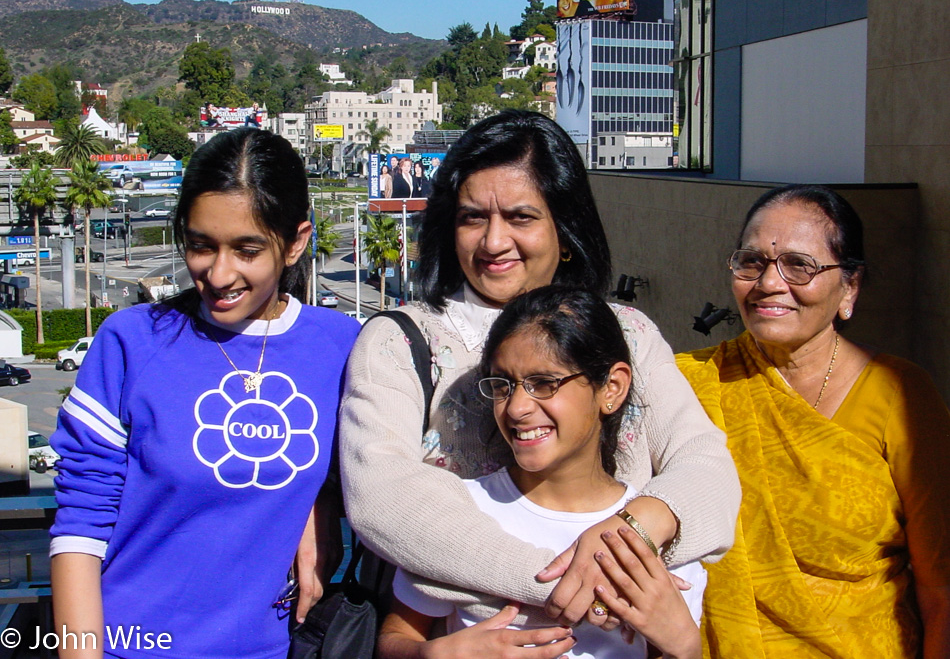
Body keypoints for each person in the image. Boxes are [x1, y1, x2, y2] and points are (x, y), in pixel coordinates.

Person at [339, 110, 739, 631]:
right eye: (472, 217)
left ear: (566, 229)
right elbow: (383, 498)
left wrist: (636, 529)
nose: (493, 242)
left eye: (521, 218)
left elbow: (706, 467)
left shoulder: (629, 335)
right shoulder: (399, 342)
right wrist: (565, 583)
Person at [50, 128, 361, 658]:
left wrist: (322, 502)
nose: (218, 274)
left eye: (247, 249)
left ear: (297, 242)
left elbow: (383, 475)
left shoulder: (347, 347)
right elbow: (81, 520)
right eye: (200, 246)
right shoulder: (129, 341)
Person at [676, 184, 950, 658]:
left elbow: (941, 584)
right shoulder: (688, 384)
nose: (768, 283)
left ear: (850, 286)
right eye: (752, 261)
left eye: (799, 265)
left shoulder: (901, 396)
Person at [377, 285, 706, 659]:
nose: (517, 407)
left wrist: (684, 645)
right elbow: (395, 637)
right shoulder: (457, 514)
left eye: (544, 383)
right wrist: (437, 654)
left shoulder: (659, 532)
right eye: (503, 385)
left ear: (611, 387)